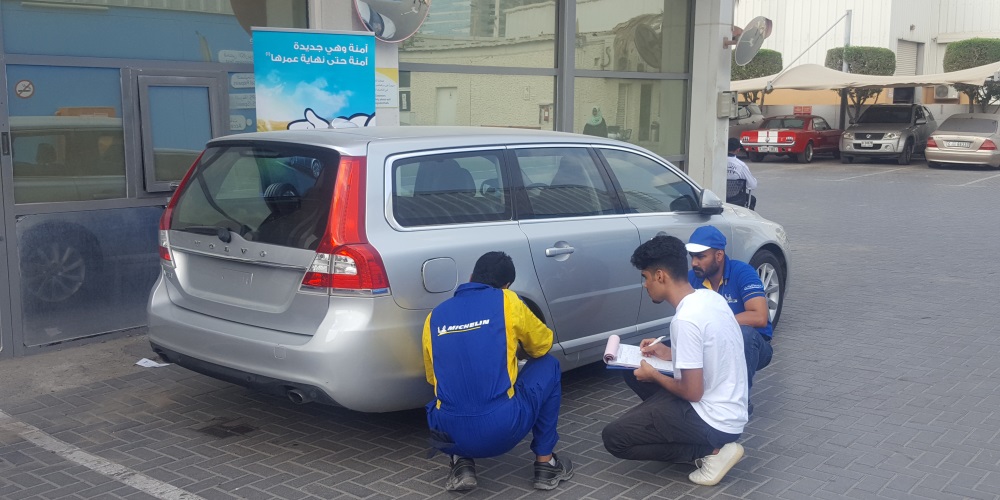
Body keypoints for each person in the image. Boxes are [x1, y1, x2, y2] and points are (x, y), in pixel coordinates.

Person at [602, 235, 748, 486]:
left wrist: (654, 375)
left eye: (646, 278)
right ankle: (679, 430)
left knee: (615, 438)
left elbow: (692, 392)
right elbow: (711, 350)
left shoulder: (684, 320)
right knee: (631, 370)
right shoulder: (710, 299)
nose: (645, 285)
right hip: (732, 406)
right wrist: (668, 353)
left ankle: (710, 453)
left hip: (715, 418)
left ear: (660, 276)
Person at [422, 251, 574, 492]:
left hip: (449, 432)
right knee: (549, 365)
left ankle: (460, 462)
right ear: (506, 286)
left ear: (472, 277)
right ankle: (546, 465)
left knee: (447, 393)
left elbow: (433, 377)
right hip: (501, 429)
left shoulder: (434, 316)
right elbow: (542, 344)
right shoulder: (508, 300)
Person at [686, 225, 774, 412]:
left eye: (701, 257)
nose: (694, 263)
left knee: (744, 334)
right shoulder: (692, 278)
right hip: (710, 343)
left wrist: (716, 323)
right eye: (692, 256)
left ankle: (739, 403)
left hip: (754, 347)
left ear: (719, 255)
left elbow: (759, 316)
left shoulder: (742, 272)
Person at [726, 137, 757, 210]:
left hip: (718, 195)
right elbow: (752, 185)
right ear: (738, 150)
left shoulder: (717, 162)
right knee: (752, 199)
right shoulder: (741, 165)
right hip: (735, 198)